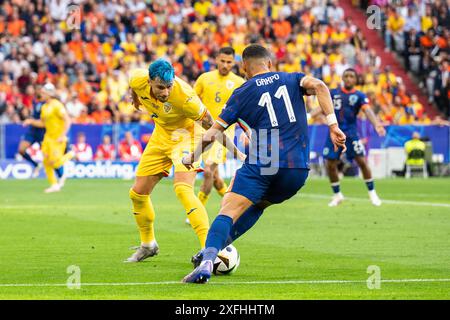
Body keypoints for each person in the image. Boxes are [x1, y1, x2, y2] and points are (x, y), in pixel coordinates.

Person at [181, 44, 346, 283]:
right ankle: (214, 250)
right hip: (296, 168)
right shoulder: (293, 79)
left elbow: (213, 132)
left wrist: (192, 156)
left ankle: (207, 261)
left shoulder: (242, 92)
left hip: (264, 161)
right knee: (258, 205)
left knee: (229, 209)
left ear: (244, 67)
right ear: (269, 63)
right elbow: (320, 86)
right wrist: (333, 125)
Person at [125, 59, 243, 262]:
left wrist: (237, 152)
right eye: (161, 87)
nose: (165, 92)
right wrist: (135, 99)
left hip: (186, 136)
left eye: (169, 86)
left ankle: (209, 250)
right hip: (160, 135)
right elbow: (134, 88)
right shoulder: (137, 79)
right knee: (137, 194)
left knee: (182, 188)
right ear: (150, 80)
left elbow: (212, 127)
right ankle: (148, 245)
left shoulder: (186, 97)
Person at [313, 68, 385, 207]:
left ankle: (372, 194)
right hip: (334, 132)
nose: (348, 78)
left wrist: (376, 124)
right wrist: (310, 115)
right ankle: (337, 195)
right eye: (346, 76)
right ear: (342, 78)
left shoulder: (359, 95)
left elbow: (368, 110)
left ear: (356, 79)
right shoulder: (333, 93)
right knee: (330, 164)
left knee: (362, 162)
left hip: (351, 134)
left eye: (351, 76)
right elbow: (322, 107)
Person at [194, 47, 245, 206]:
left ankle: (197, 211)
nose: (225, 65)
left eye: (229, 62)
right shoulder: (204, 78)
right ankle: (234, 205)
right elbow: (193, 102)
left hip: (225, 131)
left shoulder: (239, 82)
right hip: (204, 129)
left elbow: (245, 108)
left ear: (234, 63)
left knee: (208, 170)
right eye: (222, 61)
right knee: (215, 178)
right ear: (216, 59)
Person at [23, 83, 73, 193]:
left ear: (50, 94)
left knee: (54, 162)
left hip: (57, 138)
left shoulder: (57, 105)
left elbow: (67, 120)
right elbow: (43, 123)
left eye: (44, 92)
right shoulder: (44, 107)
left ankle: (71, 154)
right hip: (48, 137)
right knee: (46, 161)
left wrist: (62, 135)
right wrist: (30, 121)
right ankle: (54, 185)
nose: (42, 94)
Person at [19, 89, 45, 178]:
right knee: (21, 150)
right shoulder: (34, 101)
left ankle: (57, 171)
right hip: (33, 131)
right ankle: (36, 165)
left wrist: (30, 121)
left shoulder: (46, 104)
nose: (37, 93)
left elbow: (43, 122)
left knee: (47, 154)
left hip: (42, 132)